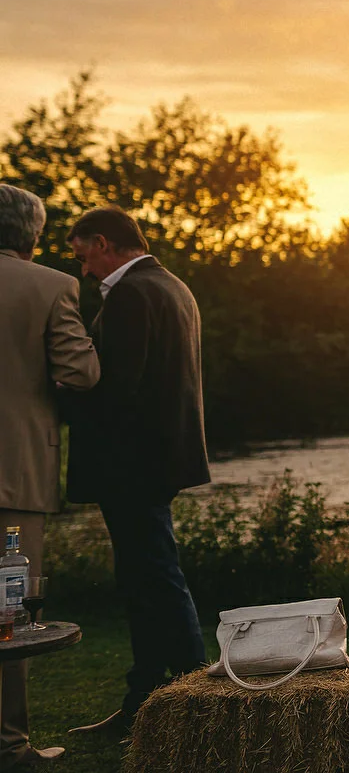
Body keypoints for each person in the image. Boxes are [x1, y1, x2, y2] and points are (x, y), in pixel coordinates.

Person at [62, 207, 210, 738]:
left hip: (131, 461)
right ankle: (149, 698)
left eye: (83, 256)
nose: (83, 270)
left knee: (153, 576)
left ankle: (190, 696)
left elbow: (117, 388)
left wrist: (56, 403)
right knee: (150, 574)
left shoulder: (129, 293)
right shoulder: (173, 286)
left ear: (104, 243)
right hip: (162, 455)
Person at [0, 185, 99, 770]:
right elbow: (81, 374)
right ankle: (9, 746)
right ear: (32, 235)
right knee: (7, 610)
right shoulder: (52, 286)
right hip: (12, 477)